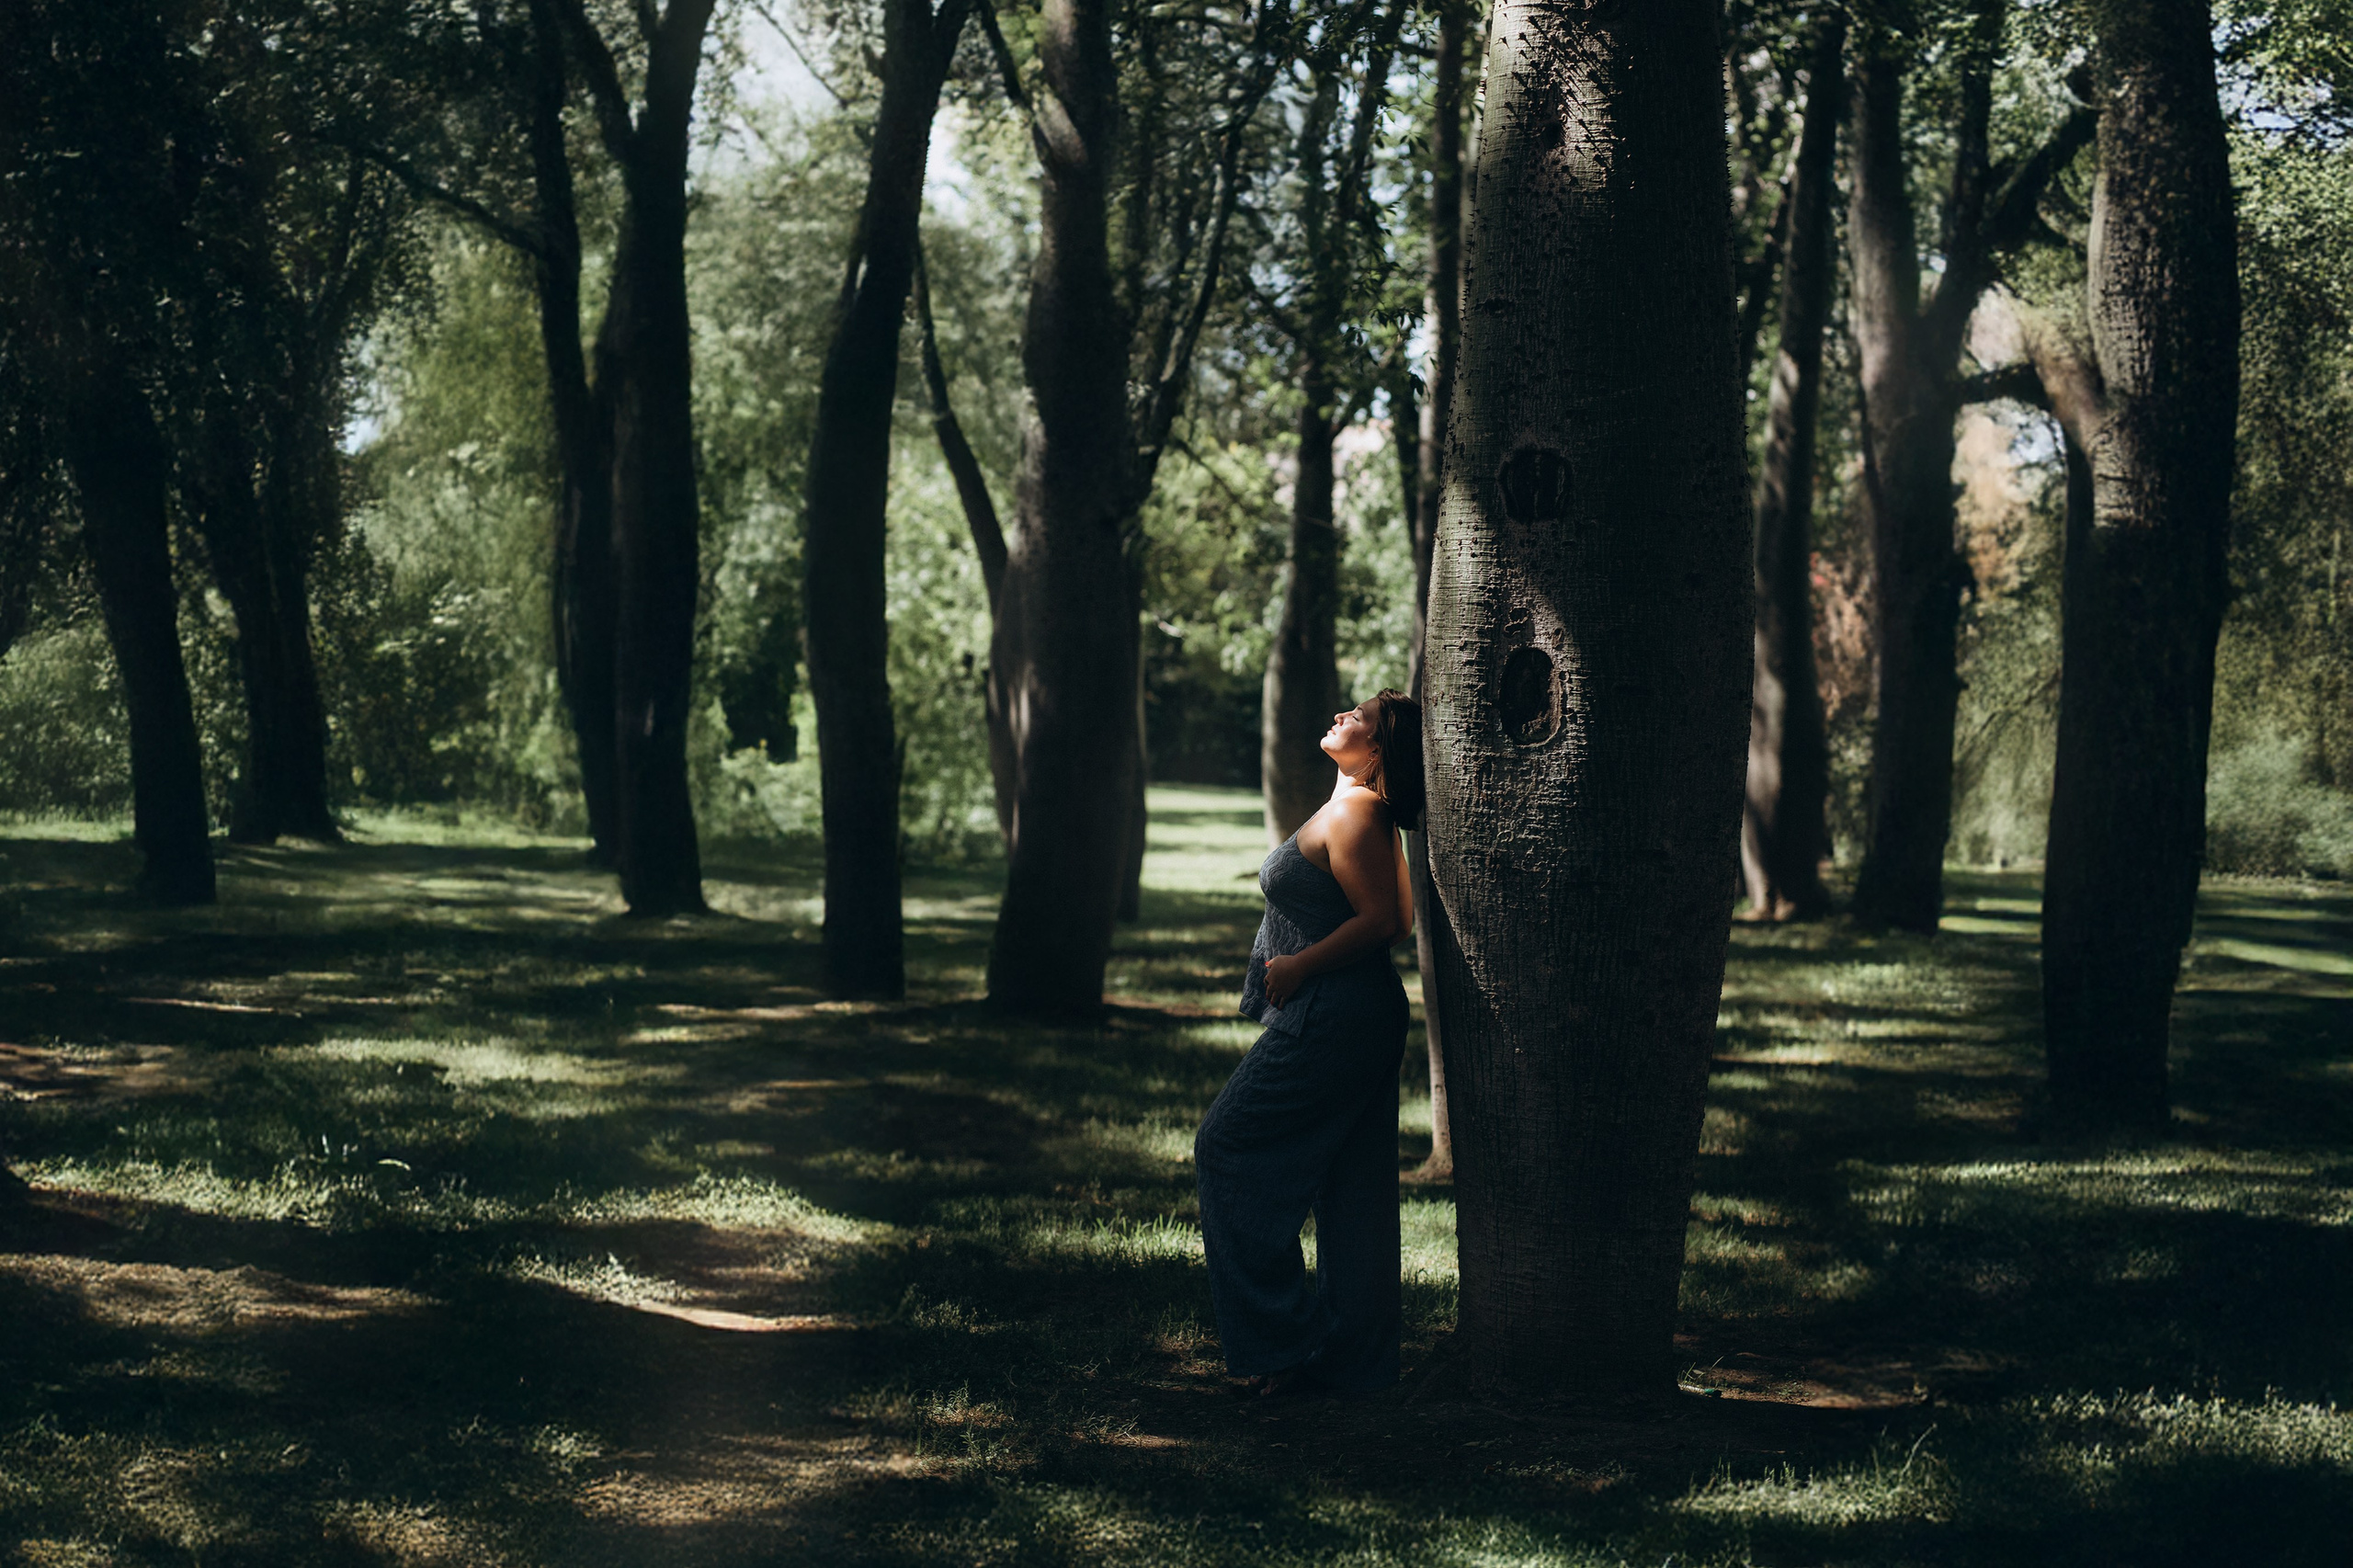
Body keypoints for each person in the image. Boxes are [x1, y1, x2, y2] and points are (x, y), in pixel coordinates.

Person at [1195, 687, 1423, 1397]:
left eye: (1358, 718)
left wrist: (1299, 965)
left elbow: (1386, 920)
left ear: (1377, 750)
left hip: (1333, 1012)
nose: (1339, 716)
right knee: (1350, 1189)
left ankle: (1280, 1346)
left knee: (1226, 1148)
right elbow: (1402, 917)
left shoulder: (1357, 813)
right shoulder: (1361, 812)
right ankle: (1355, 1366)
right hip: (1359, 1014)